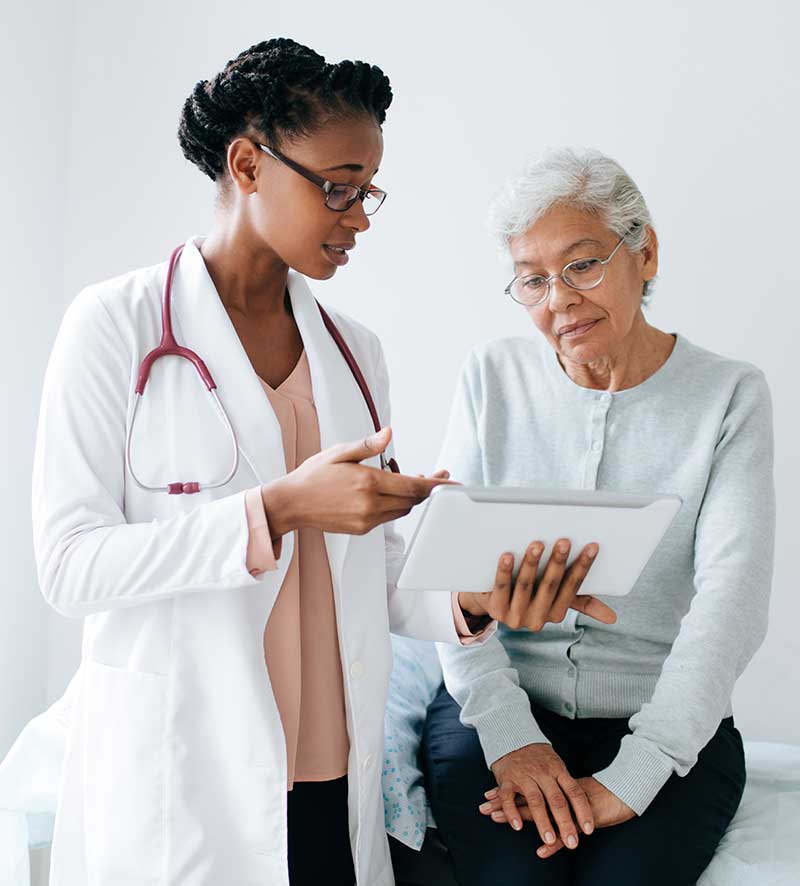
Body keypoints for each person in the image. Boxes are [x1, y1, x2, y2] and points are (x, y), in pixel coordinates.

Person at [31, 43, 613, 886]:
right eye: (338, 186)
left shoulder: (356, 353)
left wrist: (477, 596)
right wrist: (277, 510)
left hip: (330, 769)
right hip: (185, 772)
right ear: (247, 163)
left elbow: (371, 576)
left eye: (368, 191)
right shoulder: (113, 327)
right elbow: (69, 566)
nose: (360, 216)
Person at [421, 148, 775, 886]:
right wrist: (513, 738)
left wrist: (638, 771)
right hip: (498, 709)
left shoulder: (730, 396)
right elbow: (445, 577)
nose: (559, 300)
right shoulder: (491, 376)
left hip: (668, 721)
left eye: (582, 265)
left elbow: (732, 602)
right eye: (533, 280)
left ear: (644, 253)